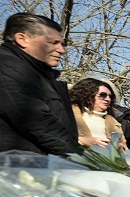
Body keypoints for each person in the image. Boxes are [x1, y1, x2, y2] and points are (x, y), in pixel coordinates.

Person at [0, 13, 78, 155]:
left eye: (62, 44)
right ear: (22, 39)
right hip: (16, 169)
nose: (62, 50)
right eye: (53, 42)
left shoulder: (41, 75)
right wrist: (83, 158)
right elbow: (38, 123)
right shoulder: (6, 67)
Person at [69, 77, 125, 151]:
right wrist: (82, 141)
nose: (108, 99)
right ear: (87, 94)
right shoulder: (68, 115)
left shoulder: (114, 123)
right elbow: (55, 138)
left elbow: (124, 150)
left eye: (110, 96)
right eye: (103, 95)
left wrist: (120, 149)